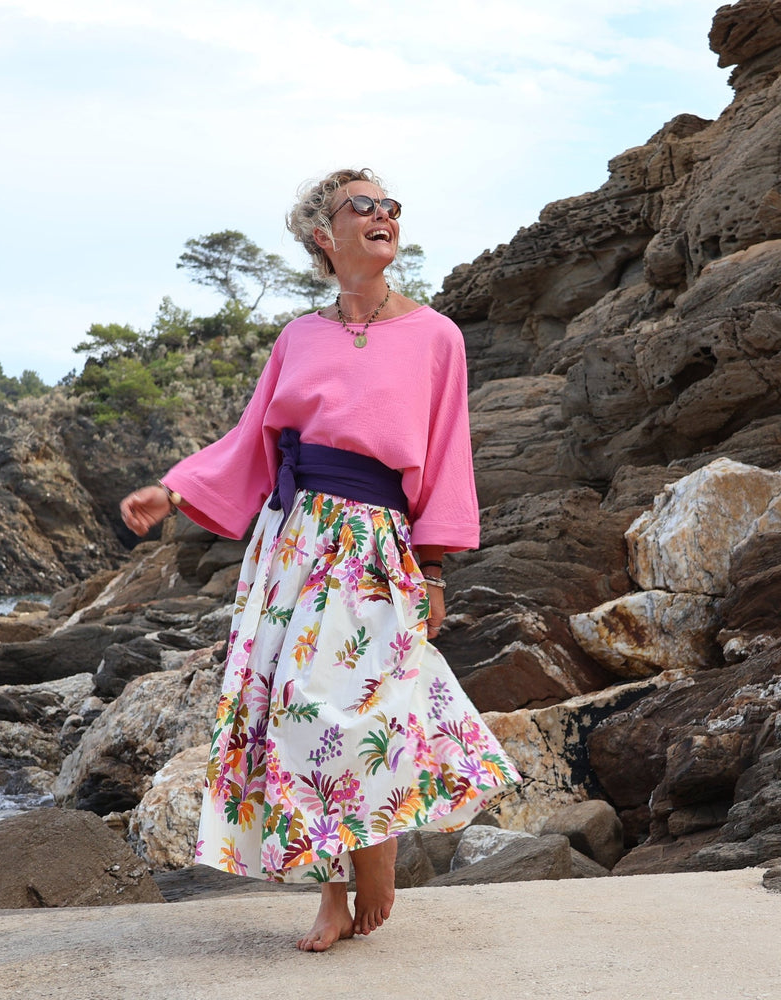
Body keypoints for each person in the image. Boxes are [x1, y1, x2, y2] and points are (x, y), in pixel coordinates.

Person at [120, 168, 520, 952]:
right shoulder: (298, 337)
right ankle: (332, 892)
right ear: (323, 236)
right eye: (361, 205)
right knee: (295, 714)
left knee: (360, 706)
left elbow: (447, 460)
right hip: (294, 541)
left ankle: (378, 852)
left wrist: (435, 571)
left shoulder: (437, 336)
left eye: (389, 205)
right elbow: (252, 441)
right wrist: (173, 491)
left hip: (374, 545)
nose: (382, 213)